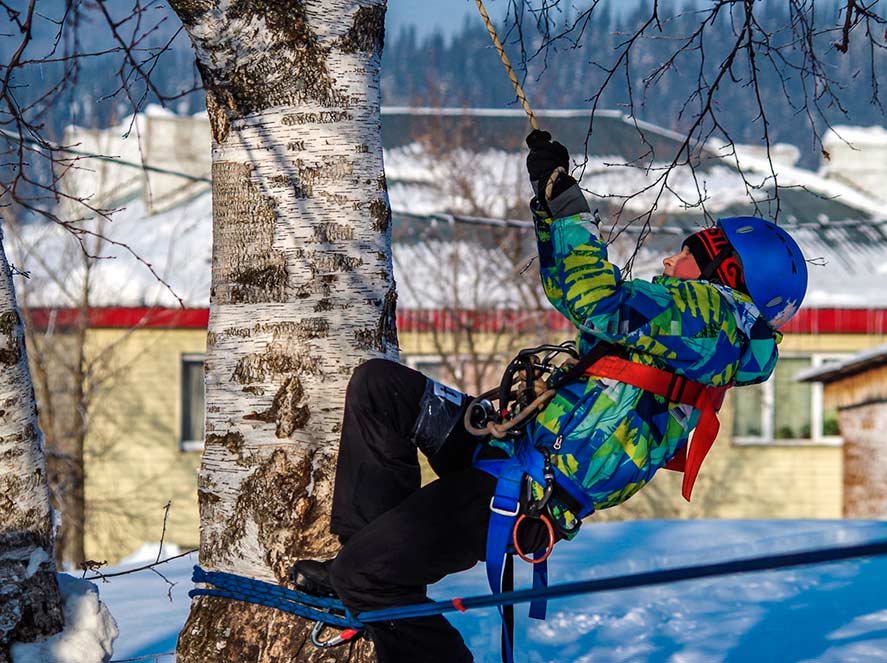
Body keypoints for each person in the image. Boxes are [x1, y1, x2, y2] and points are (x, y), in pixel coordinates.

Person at [291, 130, 808, 663]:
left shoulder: (710, 320)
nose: (668, 262)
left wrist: (568, 209)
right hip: (511, 448)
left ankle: (368, 582)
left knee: (368, 575)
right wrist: (552, 202)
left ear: (727, 271)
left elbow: (595, 299)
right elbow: (576, 291)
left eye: (687, 253)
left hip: (524, 493)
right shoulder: (702, 328)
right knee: (383, 389)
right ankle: (364, 574)